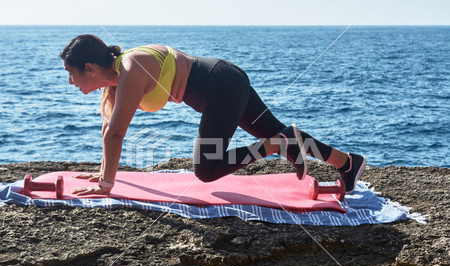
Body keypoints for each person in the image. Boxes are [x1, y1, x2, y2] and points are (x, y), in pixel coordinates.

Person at [60, 34, 366, 196]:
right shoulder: (113, 83)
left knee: (206, 169)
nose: (70, 82)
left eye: (71, 74)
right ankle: (347, 163)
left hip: (221, 87)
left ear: (89, 68)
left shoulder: (130, 67)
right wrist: (102, 176)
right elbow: (108, 131)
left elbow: (117, 135)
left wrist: (106, 186)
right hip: (224, 82)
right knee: (275, 130)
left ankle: (277, 146)